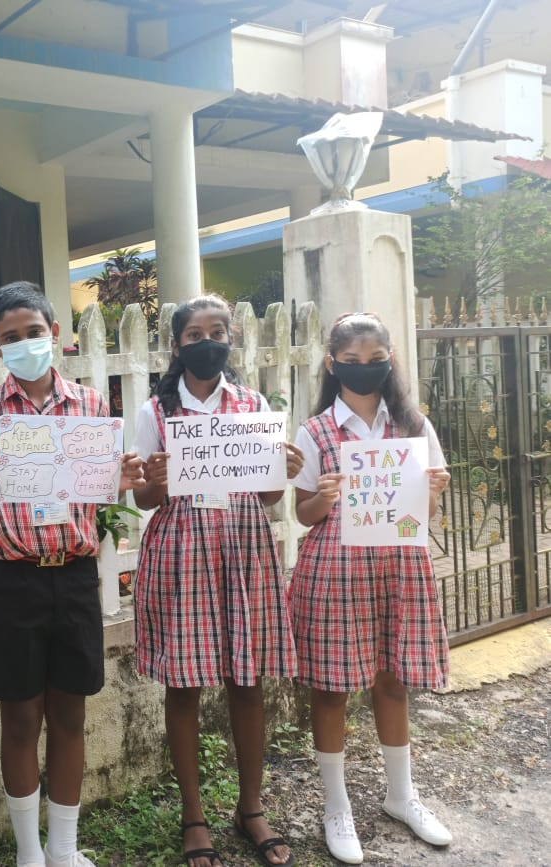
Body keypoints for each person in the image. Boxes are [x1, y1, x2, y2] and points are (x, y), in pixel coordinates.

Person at [0, 282, 145, 867]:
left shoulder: (90, 405)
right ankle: (29, 853)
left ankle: (63, 848)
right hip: (13, 581)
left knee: (70, 715)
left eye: (34, 332)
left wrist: (120, 478)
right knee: (19, 718)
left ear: (55, 334)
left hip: (75, 575)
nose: (25, 343)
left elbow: (102, 488)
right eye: (10, 337)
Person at [131, 294, 303, 867]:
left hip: (244, 548)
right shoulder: (155, 412)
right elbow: (145, 498)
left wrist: (284, 471)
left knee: (247, 680)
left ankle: (251, 808)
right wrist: (155, 480)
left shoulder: (252, 406)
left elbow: (267, 494)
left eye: (218, 332)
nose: (207, 342)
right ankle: (193, 815)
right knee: (183, 686)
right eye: (194, 334)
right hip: (181, 552)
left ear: (231, 339)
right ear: (176, 346)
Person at [288, 312, 452, 865]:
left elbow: (425, 510)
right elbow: (303, 513)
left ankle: (401, 795)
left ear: (390, 360)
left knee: (393, 679)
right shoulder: (315, 431)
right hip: (334, 571)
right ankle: (336, 807)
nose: (365, 368)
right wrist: (326, 497)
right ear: (332, 364)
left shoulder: (413, 425)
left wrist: (433, 490)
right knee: (331, 689)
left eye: (375, 359)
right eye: (352, 361)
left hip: (398, 565)